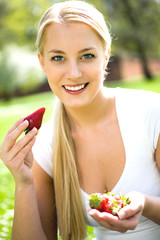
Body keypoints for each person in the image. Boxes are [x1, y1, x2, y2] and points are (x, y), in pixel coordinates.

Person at [0, 1, 160, 239]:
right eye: (58, 58)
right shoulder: (44, 146)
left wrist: (144, 203)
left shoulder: (150, 112)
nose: (73, 73)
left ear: (105, 56)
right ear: (42, 62)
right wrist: (24, 183)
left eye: (87, 55)